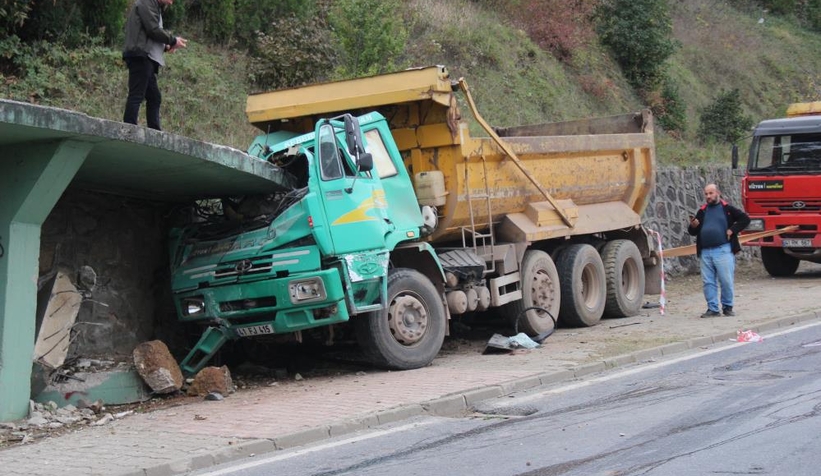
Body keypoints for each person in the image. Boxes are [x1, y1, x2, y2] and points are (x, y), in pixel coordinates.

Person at [122, 0, 187, 130]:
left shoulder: (154, 6)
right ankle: (129, 130)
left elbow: (147, 36)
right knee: (137, 95)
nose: (172, 2)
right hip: (140, 56)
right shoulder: (146, 3)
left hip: (146, 57)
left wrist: (167, 46)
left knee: (154, 97)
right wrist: (173, 40)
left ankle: (155, 133)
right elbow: (153, 29)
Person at [687, 183, 750, 318]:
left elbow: (745, 219)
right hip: (705, 251)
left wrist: (732, 230)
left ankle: (727, 307)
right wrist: (693, 226)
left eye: (711, 193)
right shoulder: (702, 211)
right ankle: (712, 309)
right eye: (706, 194)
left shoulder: (727, 209)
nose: (708, 196)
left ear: (717, 193)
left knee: (726, 280)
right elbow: (693, 231)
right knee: (708, 282)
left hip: (723, 249)